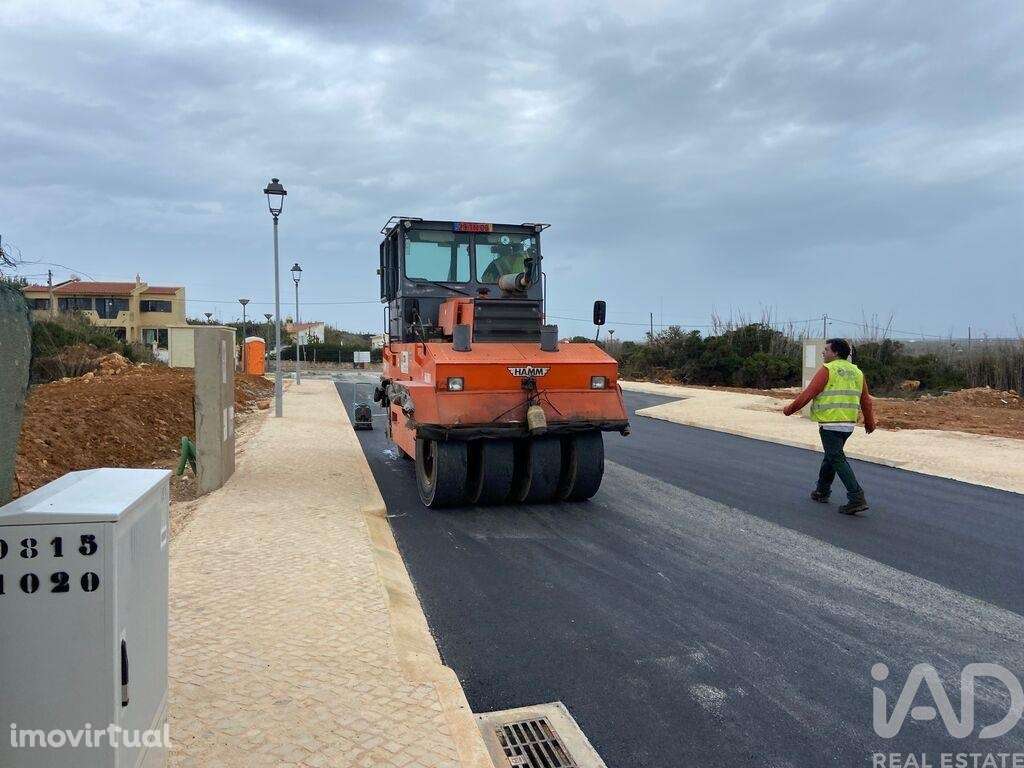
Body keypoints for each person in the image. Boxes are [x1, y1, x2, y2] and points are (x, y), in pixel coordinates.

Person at [782, 338, 876, 515]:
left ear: (836, 353)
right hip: (848, 425)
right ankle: (822, 491)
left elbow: (808, 394)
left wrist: (789, 410)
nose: (823, 353)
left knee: (836, 458)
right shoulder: (857, 372)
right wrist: (870, 422)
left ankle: (856, 497)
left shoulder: (828, 369)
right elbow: (866, 400)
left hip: (830, 423)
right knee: (831, 457)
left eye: (826, 350)